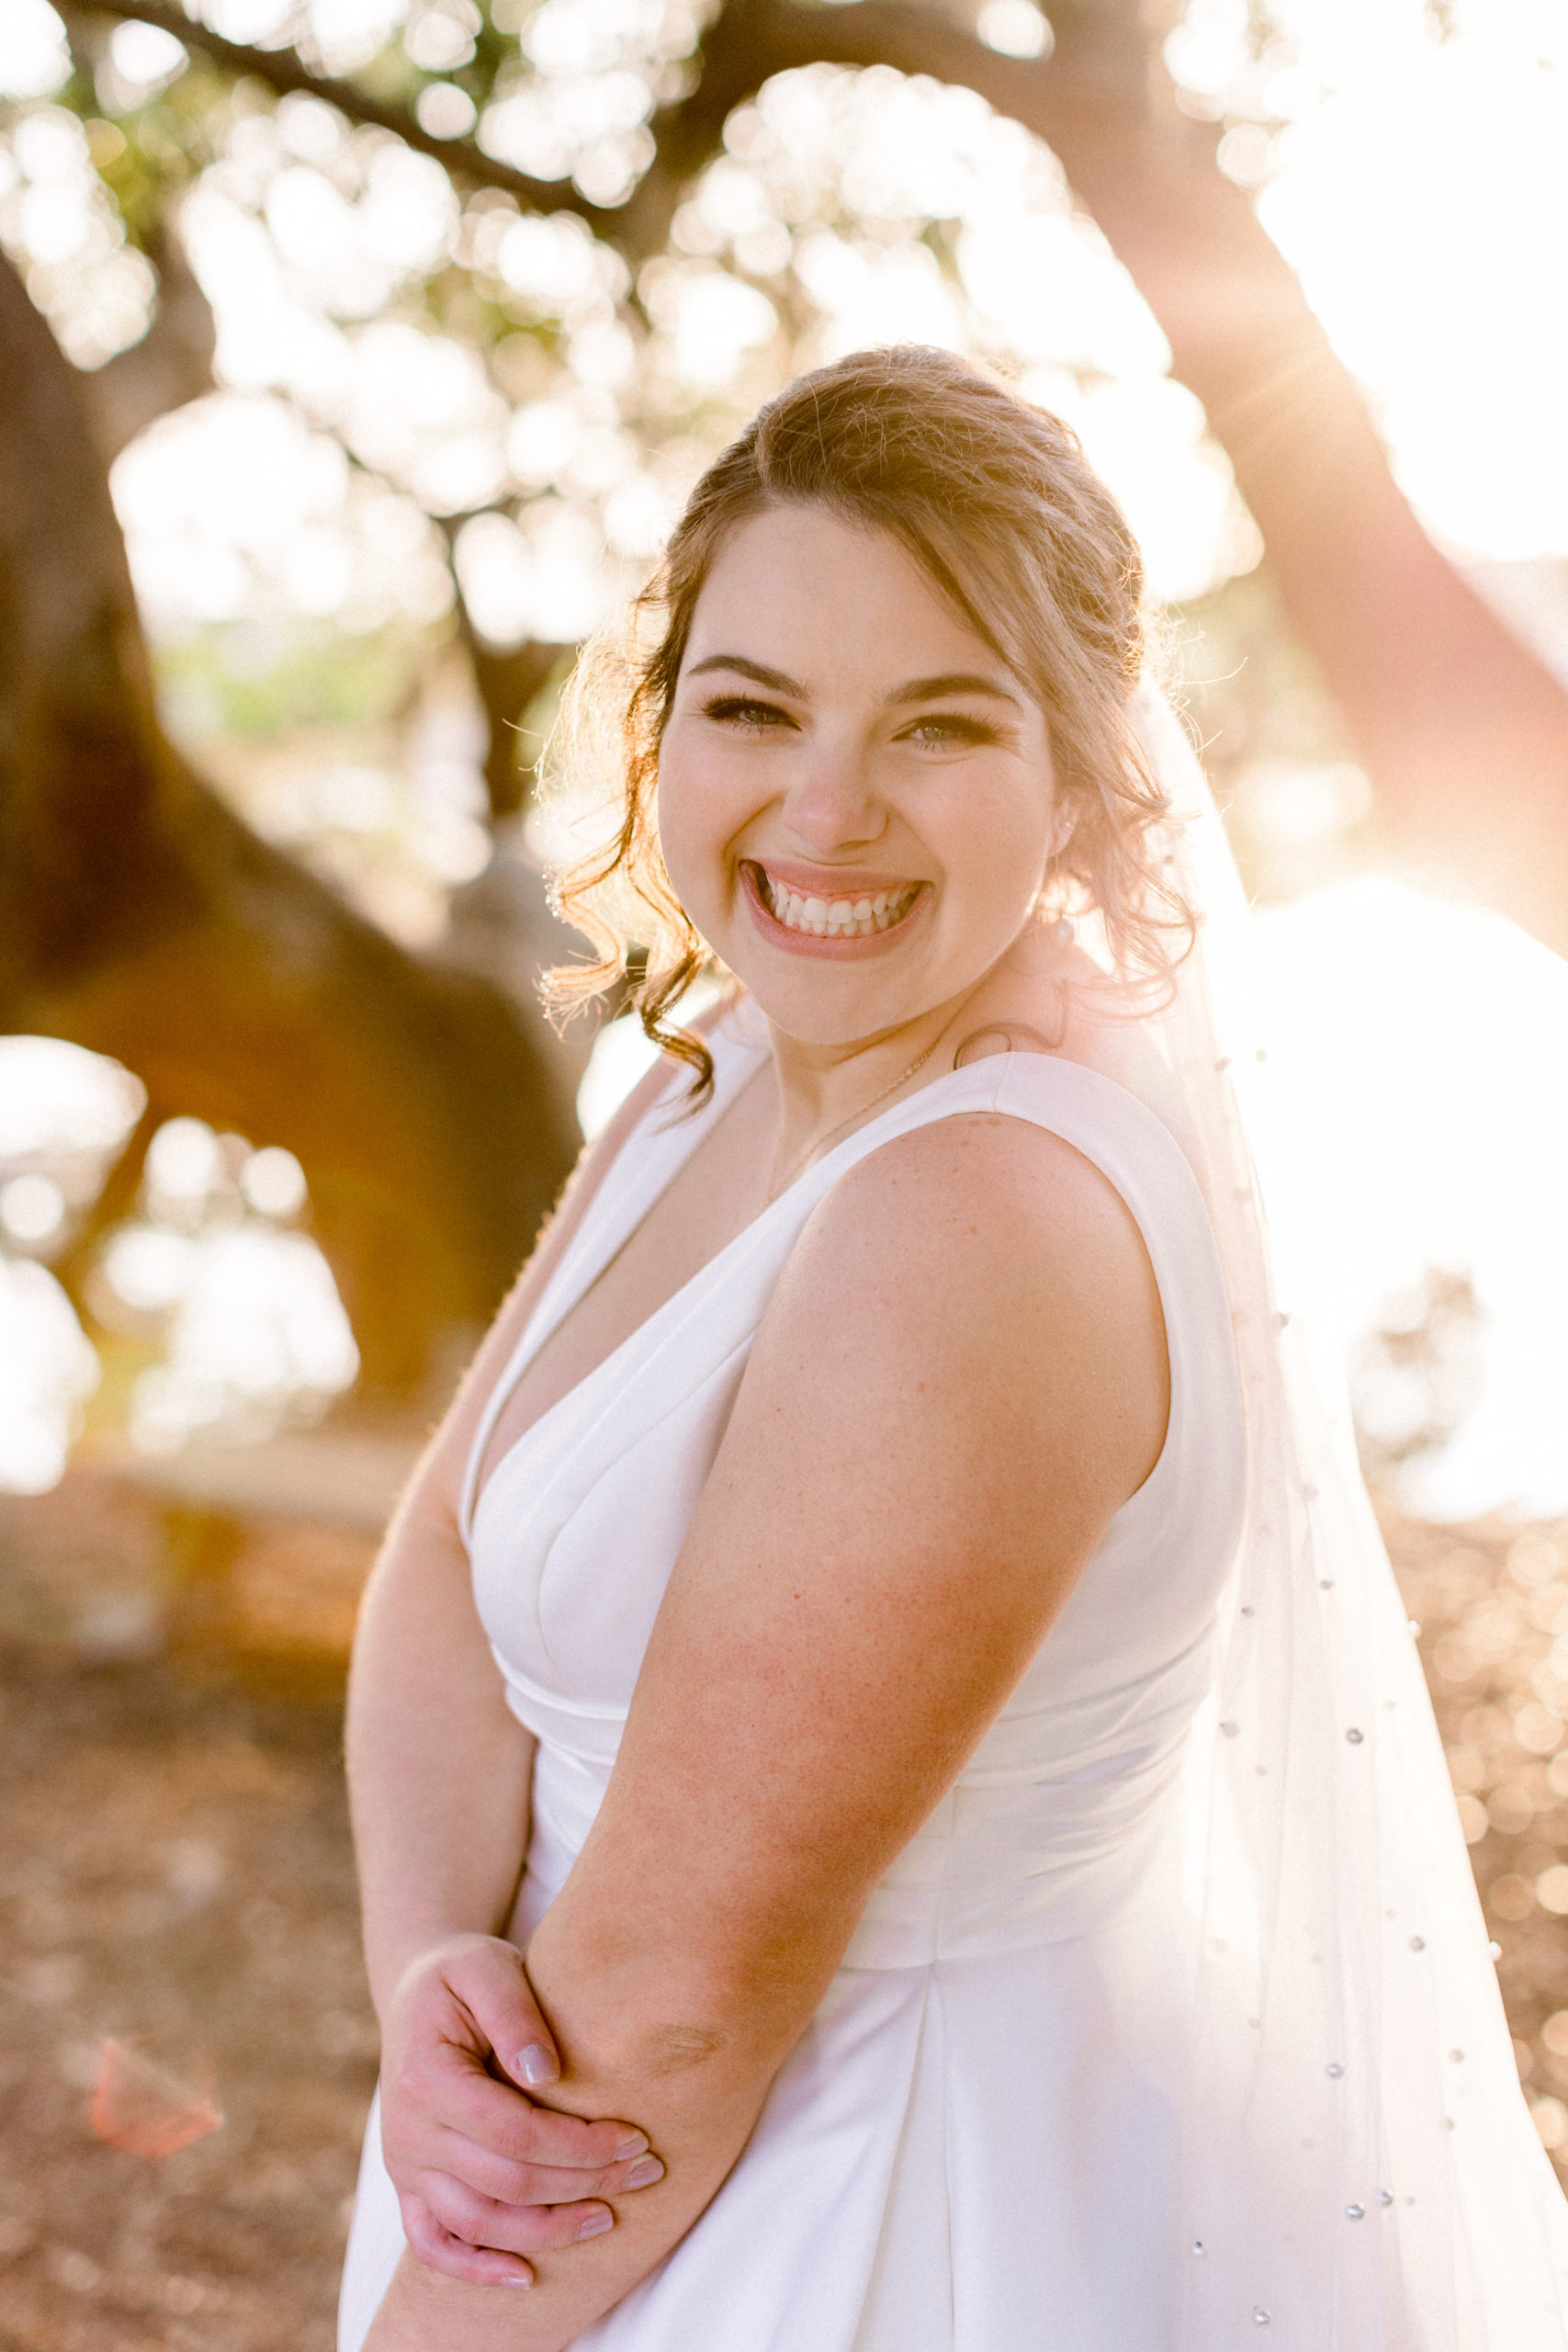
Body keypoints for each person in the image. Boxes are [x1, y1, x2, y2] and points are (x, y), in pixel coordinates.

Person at [339, 347, 1568, 2352]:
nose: (824, 813)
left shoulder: (979, 1217)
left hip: (848, 2223)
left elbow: (677, 2010)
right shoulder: (721, 1054)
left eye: (937, 724)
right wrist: (423, 1975)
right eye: (752, 709)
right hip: (543, 2170)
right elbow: (443, 1568)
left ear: (1078, 775)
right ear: (662, 721)